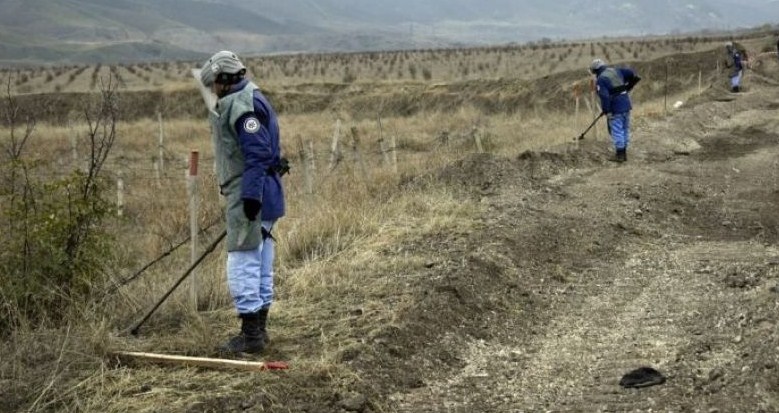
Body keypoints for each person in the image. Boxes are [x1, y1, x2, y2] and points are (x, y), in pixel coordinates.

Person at [199, 50, 286, 354]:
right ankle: (258, 331)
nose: (212, 90)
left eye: (213, 84)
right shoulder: (251, 96)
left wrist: (250, 197)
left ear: (224, 79)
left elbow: (257, 153)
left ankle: (250, 336)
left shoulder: (241, 105)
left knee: (243, 262)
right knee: (261, 263)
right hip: (264, 191)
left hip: (251, 194)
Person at [589, 58, 641, 163]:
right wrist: (628, 86)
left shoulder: (601, 79)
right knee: (625, 129)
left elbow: (604, 96)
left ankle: (620, 155)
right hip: (626, 105)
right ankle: (623, 153)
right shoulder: (616, 71)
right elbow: (631, 73)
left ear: (595, 71)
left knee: (617, 130)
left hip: (616, 108)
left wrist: (607, 111)